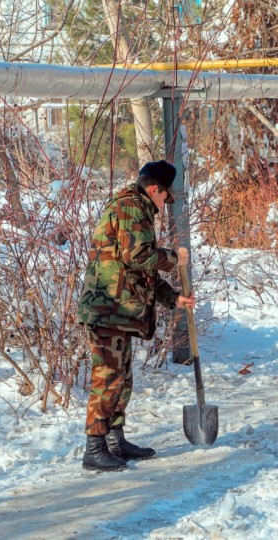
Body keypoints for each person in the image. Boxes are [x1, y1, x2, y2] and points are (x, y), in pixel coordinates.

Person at [76, 160, 196, 472]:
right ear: (154, 189)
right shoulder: (131, 206)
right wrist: (174, 258)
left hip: (118, 309)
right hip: (107, 309)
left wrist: (172, 298)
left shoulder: (134, 208)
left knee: (122, 378)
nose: (163, 205)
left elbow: (138, 270)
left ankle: (115, 441)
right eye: (164, 198)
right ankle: (94, 447)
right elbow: (138, 256)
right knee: (108, 378)